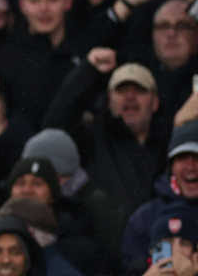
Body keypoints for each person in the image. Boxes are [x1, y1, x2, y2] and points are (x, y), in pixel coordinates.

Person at [43, 49, 172, 216]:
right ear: (109, 100)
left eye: (139, 90)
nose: (130, 96)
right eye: (122, 90)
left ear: (155, 102)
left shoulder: (170, 142)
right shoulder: (91, 139)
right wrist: (88, 69)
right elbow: (54, 125)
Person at [22, 126, 127, 263]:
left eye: (36, 180)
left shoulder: (101, 207)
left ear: (56, 173)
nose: (28, 188)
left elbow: (112, 261)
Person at [122, 121, 198, 270]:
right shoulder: (143, 219)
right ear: (171, 167)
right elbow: (129, 275)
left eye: (197, 157)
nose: (190, 167)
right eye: (182, 157)